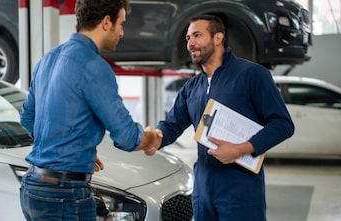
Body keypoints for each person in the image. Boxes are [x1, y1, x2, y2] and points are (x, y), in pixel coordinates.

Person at [19, 0, 161, 220]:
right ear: (106, 23)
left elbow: (28, 118)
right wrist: (151, 136)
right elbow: (126, 136)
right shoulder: (94, 66)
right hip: (64, 194)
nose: (122, 33)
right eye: (120, 24)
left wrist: (69, 148)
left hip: (33, 188)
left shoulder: (48, 59)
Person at [147, 15, 294, 221]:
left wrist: (241, 149)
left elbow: (283, 124)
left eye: (197, 35)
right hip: (203, 186)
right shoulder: (192, 87)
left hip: (240, 186)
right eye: (188, 38)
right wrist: (155, 137)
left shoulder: (252, 75)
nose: (190, 43)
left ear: (218, 38)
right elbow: (172, 124)